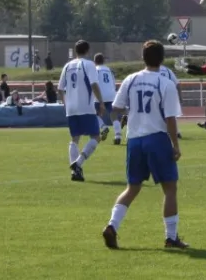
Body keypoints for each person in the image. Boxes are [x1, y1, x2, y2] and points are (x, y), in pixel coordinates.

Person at [102, 40, 187, 250]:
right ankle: (170, 237)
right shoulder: (165, 83)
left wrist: (128, 118)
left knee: (132, 188)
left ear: (143, 58)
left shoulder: (130, 79)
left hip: (134, 140)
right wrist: (175, 145)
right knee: (170, 188)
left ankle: (112, 225)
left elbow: (116, 108)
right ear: (162, 59)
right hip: (156, 138)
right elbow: (170, 118)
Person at [58, 40, 105, 182]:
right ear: (88, 50)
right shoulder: (88, 64)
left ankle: (75, 173)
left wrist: (66, 104)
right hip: (85, 107)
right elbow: (94, 84)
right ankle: (78, 163)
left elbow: (60, 88)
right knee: (96, 137)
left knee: (75, 139)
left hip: (71, 108)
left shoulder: (67, 66)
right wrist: (101, 102)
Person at [120, 64, 183, 139]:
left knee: (152, 113)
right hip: (163, 93)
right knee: (168, 114)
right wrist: (180, 97)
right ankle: (175, 132)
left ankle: (129, 118)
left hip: (152, 92)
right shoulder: (167, 71)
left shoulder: (143, 73)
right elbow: (177, 84)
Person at [94, 53, 122, 144]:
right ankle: (117, 135)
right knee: (113, 114)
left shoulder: (95, 70)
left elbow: (93, 83)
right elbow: (113, 83)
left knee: (93, 114)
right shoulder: (109, 70)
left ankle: (104, 127)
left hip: (99, 95)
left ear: (95, 61)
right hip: (111, 94)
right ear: (103, 61)